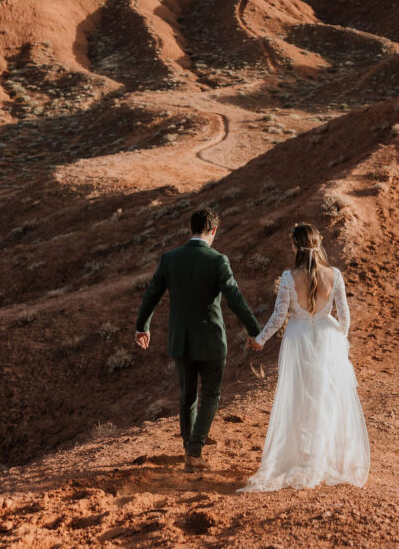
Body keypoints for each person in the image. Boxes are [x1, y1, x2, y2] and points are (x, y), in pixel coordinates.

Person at [240, 222, 370, 491]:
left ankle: (302, 458)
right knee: (324, 399)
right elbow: (344, 317)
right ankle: (320, 459)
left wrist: (260, 340)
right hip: (326, 339)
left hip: (297, 339)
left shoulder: (289, 277)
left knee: (299, 398)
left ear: (295, 247)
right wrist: (339, 343)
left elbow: (279, 316)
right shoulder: (334, 275)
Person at [135, 207, 261, 472]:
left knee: (187, 395)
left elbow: (152, 295)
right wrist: (254, 329)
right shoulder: (217, 260)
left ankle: (188, 447)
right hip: (211, 339)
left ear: (190, 229)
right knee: (211, 394)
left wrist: (142, 327)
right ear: (213, 230)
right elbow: (235, 298)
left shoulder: (170, 258)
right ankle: (195, 450)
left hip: (181, 339)